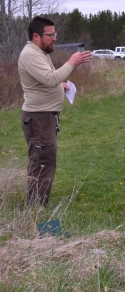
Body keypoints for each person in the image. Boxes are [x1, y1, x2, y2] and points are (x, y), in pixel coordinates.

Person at [18, 16, 92, 206]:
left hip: (43, 118)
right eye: (50, 35)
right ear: (36, 36)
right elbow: (50, 79)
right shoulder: (31, 55)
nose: (54, 38)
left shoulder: (39, 53)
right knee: (42, 161)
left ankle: (37, 203)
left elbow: (46, 80)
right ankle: (36, 207)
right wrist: (72, 62)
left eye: (54, 34)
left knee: (43, 159)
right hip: (39, 118)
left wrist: (62, 84)